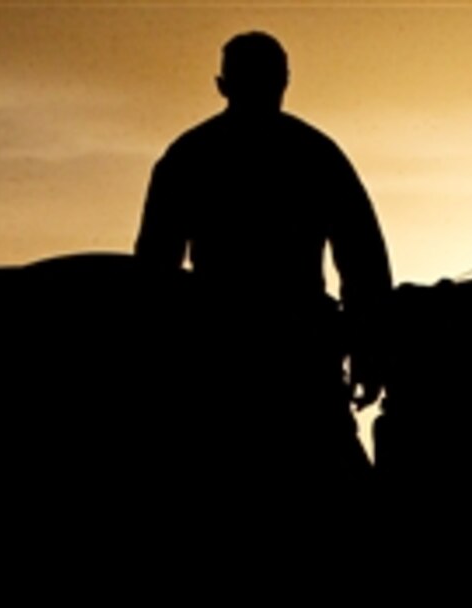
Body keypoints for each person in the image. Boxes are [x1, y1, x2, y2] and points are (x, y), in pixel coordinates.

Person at [134, 31, 392, 481]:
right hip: (290, 355)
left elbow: (154, 271)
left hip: (220, 355)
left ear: (221, 84)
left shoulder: (189, 156)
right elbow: (362, 258)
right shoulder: (316, 154)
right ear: (285, 80)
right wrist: (370, 349)